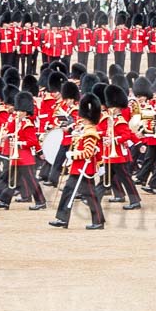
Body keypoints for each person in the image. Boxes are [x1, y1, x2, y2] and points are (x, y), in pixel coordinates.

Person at [50, 94, 107, 230]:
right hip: (78, 168)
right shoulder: (84, 130)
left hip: (84, 169)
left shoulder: (90, 133)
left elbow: (88, 153)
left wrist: (73, 155)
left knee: (91, 196)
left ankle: (98, 221)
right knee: (68, 191)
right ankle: (62, 219)